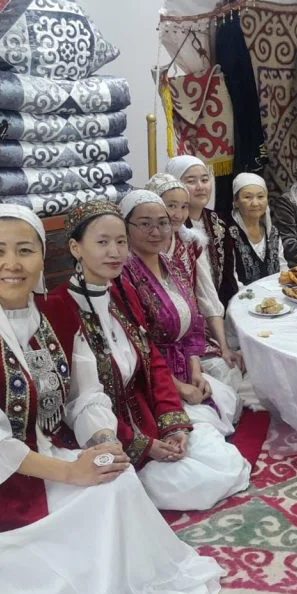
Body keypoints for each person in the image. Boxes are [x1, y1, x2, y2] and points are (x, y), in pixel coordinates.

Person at [0, 203, 223, 594]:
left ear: (42, 256)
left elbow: (85, 395)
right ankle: (90, 587)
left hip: (50, 448)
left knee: (117, 480)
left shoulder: (58, 315)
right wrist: (71, 471)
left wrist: (103, 441)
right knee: (99, 496)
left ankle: (115, 583)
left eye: (25, 250)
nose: (12, 264)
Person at [54, 199, 250, 510]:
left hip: (146, 415)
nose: (115, 252)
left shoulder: (120, 294)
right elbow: (74, 401)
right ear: (76, 248)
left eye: (120, 242)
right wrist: (144, 445)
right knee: (193, 484)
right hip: (105, 433)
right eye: (102, 242)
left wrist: (173, 426)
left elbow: (152, 361)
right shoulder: (59, 309)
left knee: (220, 461)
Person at [120, 189, 240, 436]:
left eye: (162, 223)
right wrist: (179, 388)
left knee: (232, 400)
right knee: (205, 444)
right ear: (126, 227)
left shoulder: (173, 266)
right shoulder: (124, 277)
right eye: (145, 224)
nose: (156, 232)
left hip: (185, 369)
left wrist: (195, 371)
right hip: (154, 382)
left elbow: (193, 327)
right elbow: (138, 347)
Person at [147, 177, 259, 410]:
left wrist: (224, 347)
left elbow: (207, 297)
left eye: (183, 206)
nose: (178, 214)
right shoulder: (141, 251)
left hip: (190, 335)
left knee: (229, 370)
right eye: (171, 205)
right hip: (158, 342)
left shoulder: (190, 243)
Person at [166, 155, 239, 306]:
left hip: (220, 306)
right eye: (191, 181)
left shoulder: (218, 221)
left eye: (205, 180)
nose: (200, 187)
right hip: (185, 308)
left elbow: (228, 275)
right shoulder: (172, 225)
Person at [227, 172, 284, 284]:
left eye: (260, 197)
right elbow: (232, 280)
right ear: (236, 201)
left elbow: (282, 267)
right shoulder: (228, 235)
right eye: (247, 197)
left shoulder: (273, 233)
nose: (255, 203)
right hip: (242, 294)